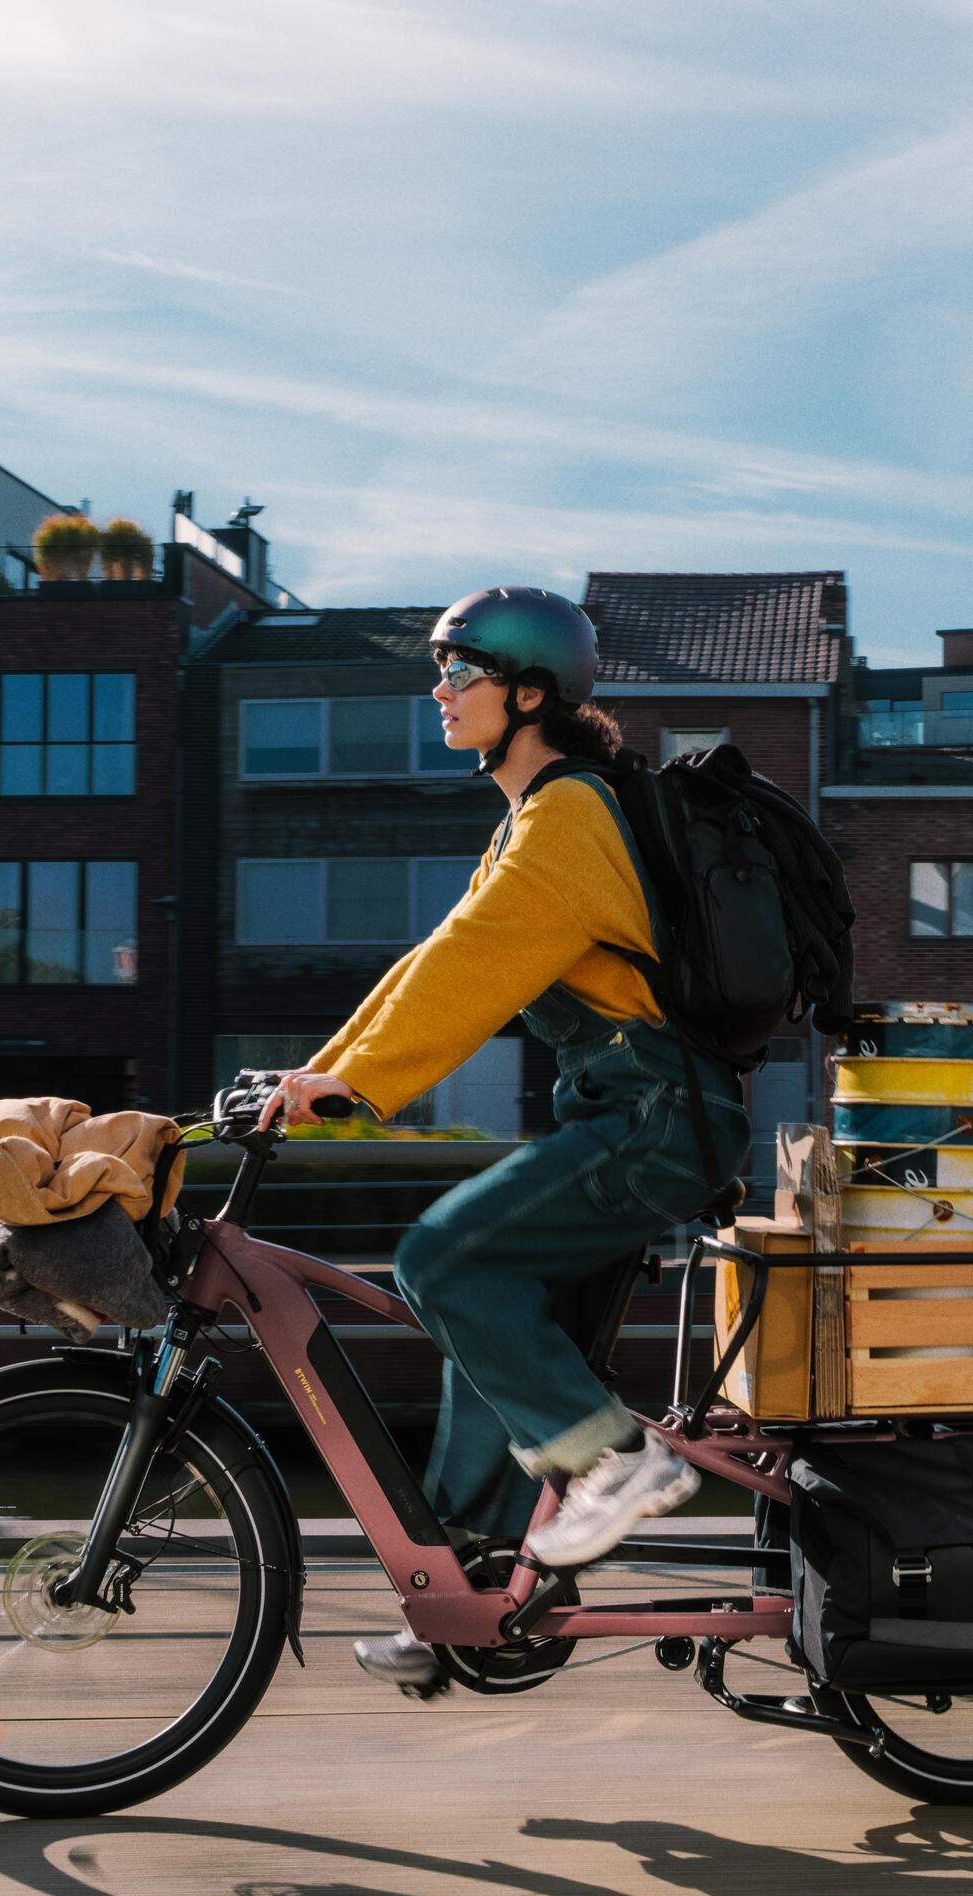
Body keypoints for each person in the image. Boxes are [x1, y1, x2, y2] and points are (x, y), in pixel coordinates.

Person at [262, 583, 751, 1694]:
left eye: (460, 672)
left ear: (529, 694)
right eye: (439, 670)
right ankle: (471, 1596)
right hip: (632, 1116)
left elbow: (469, 973)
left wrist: (357, 1084)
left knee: (444, 1261)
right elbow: (436, 957)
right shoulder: (534, 819)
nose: (439, 691)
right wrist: (317, 1072)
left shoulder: (572, 815)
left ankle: (620, 1460)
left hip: (653, 1121)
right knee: (487, 1325)